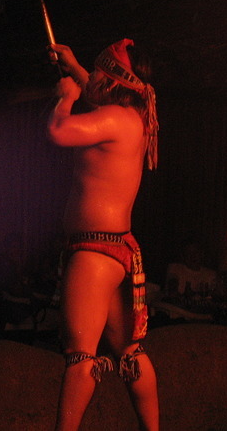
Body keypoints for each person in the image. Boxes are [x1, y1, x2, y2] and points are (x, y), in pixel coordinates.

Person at [47, 39, 160, 431]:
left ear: (113, 81)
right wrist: (75, 66)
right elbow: (99, 92)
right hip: (119, 249)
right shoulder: (135, 116)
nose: (91, 76)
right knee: (129, 351)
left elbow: (60, 131)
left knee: (80, 355)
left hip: (95, 252)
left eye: (98, 70)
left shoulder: (112, 118)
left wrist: (65, 97)